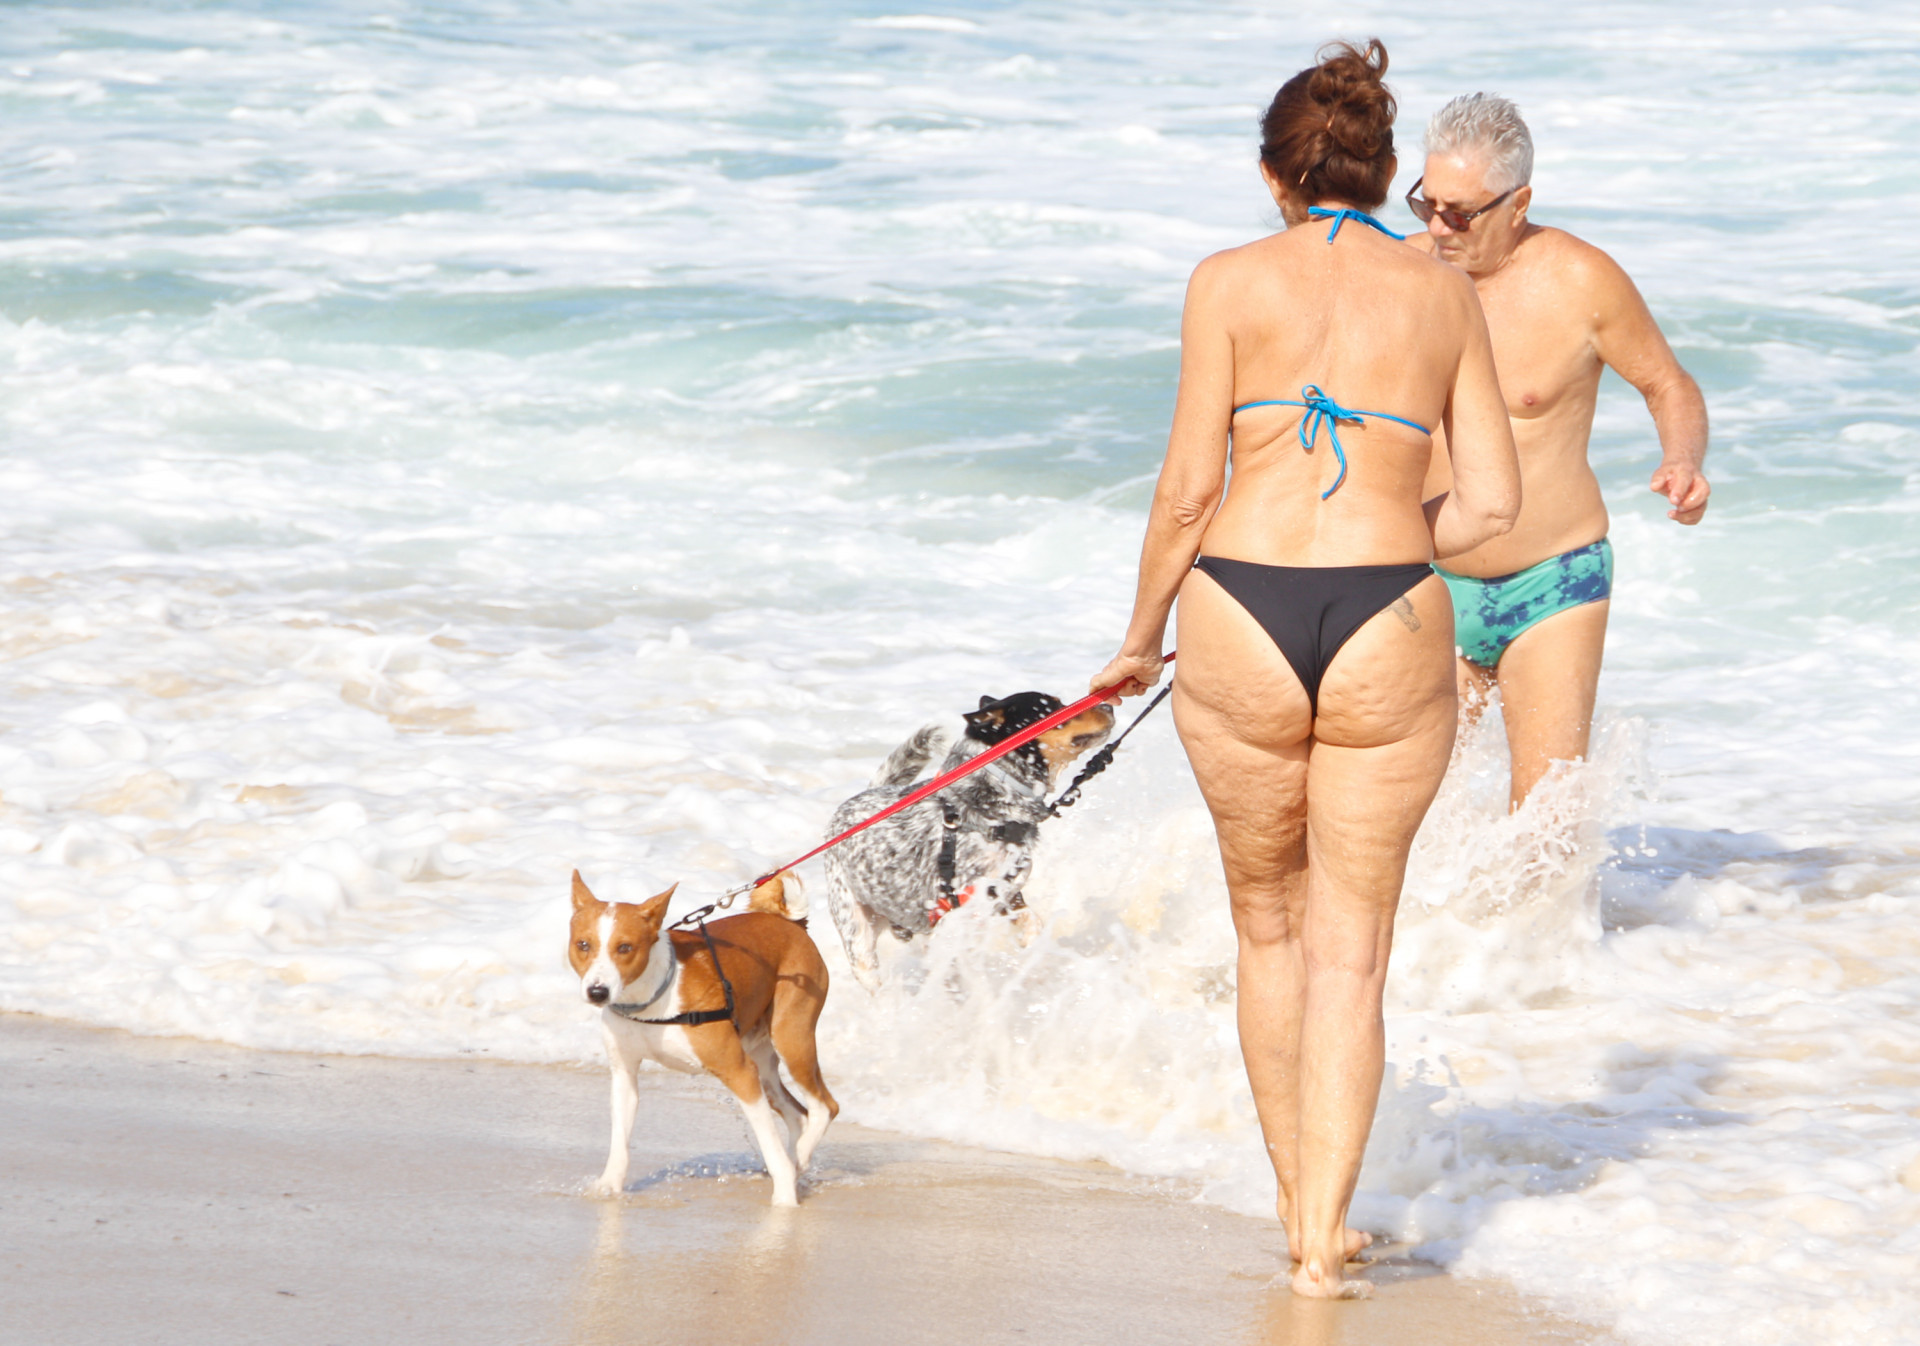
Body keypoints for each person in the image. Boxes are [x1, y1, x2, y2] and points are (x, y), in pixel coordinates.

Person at [1090, 41, 1519, 1298]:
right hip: (1391, 612)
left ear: (1275, 176)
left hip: (1237, 604)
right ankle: (1327, 1235)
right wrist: (1388, 538)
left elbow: (1187, 492)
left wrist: (1137, 640)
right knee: (1353, 950)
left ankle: (1293, 1206)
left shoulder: (1225, 282)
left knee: (1268, 926)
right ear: (1386, 176)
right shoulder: (1445, 295)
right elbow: (1492, 505)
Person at [1407, 94, 1710, 808]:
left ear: (1519, 203)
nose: (1438, 228)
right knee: (1407, 811)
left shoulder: (1581, 280)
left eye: (1461, 214)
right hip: (1425, 579)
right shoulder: (1401, 275)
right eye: (1427, 204)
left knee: (1547, 819)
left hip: (1554, 582)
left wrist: (1684, 459)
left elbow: (1668, 384)